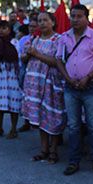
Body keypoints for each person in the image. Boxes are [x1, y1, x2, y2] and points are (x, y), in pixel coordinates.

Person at [56, 4, 93, 176]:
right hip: (70, 87)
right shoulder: (64, 37)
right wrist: (67, 77)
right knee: (73, 126)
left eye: (79, 16)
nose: (75, 19)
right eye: (73, 16)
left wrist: (88, 76)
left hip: (91, 87)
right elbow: (59, 59)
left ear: (87, 18)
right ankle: (73, 162)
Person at [21, 12, 65, 164]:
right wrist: (26, 54)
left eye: (45, 20)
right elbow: (25, 58)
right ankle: (43, 149)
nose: (42, 23)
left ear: (53, 22)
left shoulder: (59, 40)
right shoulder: (34, 39)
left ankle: (54, 151)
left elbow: (57, 62)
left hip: (50, 83)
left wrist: (36, 54)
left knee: (51, 116)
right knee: (39, 117)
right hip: (34, 83)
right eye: (39, 21)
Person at [0, 20, 23, 139]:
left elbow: (18, 57)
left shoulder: (14, 42)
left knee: (14, 102)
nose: (1, 31)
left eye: (4, 28)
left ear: (9, 30)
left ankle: (13, 129)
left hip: (12, 75)